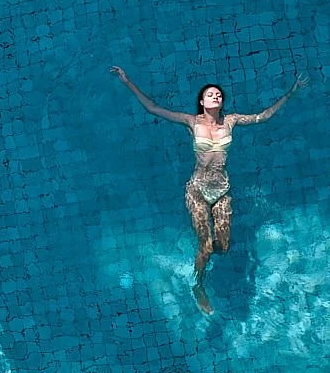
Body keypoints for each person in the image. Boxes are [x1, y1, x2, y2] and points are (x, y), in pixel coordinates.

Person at [111, 65, 305, 311]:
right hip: (198, 192)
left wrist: (292, 92)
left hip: (222, 192)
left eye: (219, 94)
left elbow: (262, 116)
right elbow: (153, 108)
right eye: (211, 94)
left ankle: (204, 254)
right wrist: (127, 81)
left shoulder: (231, 121)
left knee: (222, 247)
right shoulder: (191, 122)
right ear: (202, 101)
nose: (216, 96)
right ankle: (198, 284)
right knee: (206, 244)